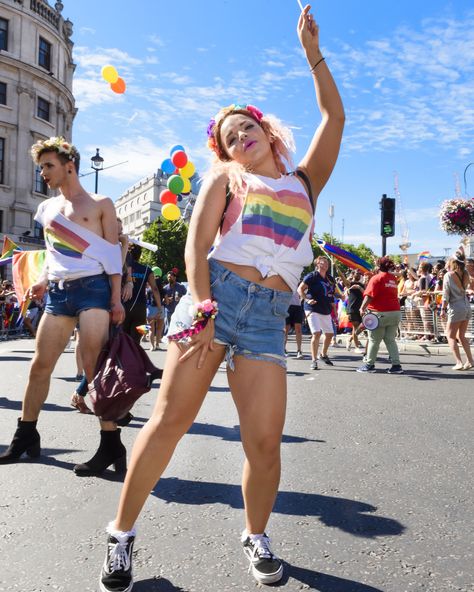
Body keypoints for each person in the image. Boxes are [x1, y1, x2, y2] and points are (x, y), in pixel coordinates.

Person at [98, 7, 344, 591]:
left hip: (266, 318)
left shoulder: (304, 182)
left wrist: (312, 53)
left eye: (245, 126)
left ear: (267, 129)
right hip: (215, 302)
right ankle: (121, 536)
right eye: (229, 136)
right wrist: (204, 309)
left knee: (263, 441)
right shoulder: (225, 179)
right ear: (227, 151)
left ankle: (256, 536)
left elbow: (334, 115)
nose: (238, 137)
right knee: (170, 424)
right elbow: (196, 246)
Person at [0, 136, 126, 476]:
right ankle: (25, 434)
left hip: (94, 291)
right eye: (41, 167)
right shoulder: (47, 209)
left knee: (92, 366)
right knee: (40, 365)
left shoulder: (101, 203)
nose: (43, 173)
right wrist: (41, 280)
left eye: (48, 166)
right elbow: (52, 255)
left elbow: (113, 255)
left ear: (69, 165)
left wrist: (115, 298)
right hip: (58, 293)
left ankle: (110, 443)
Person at [357, 256, 403, 374]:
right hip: (395, 312)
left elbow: (369, 296)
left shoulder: (376, 278)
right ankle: (396, 365)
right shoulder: (393, 279)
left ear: (378, 266)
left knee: (373, 340)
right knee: (390, 340)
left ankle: (369, 365)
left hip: (380, 313)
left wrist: (362, 308)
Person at [297, 256, 336, 370]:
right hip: (312, 308)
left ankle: (323, 355)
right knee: (316, 333)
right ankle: (314, 360)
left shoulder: (330, 278)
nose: (326, 264)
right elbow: (300, 289)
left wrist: (335, 306)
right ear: (318, 264)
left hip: (325, 309)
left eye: (327, 262)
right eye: (323, 262)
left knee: (329, 334)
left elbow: (331, 294)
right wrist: (307, 299)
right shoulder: (312, 276)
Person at [122, 244, 163, 345]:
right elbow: (155, 289)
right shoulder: (147, 270)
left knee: (123, 337)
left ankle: (123, 358)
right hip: (140, 308)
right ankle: (135, 356)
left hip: (124, 305)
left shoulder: (122, 268)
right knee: (137, 338)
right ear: (140, 255)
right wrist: (159, 307)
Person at [440, 249, 473, 370]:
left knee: (450, 335)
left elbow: (445, 294)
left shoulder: (448, 275)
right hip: (466, 305)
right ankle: (470, 361)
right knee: (462, 336)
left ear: (453, 261)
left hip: (456, 306)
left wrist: (442, 309)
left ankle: (459, 362)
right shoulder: (465, 274)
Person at [162, 269, 187, 334]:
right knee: (168, 326)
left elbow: (187, 297)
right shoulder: (165, 288)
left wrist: (180, 298)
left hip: (178, 311)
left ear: (175, 277)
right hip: (169, 311)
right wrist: (166, 300)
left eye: (170, 277)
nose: (169, 278)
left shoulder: (181, 287)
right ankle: (167, 340)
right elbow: (161, 300)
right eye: (168, 277)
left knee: (178, 327)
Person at [284, 291, 304, 358]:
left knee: (298, 329)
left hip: (297, 307)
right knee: (286, 329)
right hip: (286, 306)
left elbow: (304, 292)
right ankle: (283, 349)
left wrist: (302, 299)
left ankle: (299, 350)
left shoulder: (299, 282)